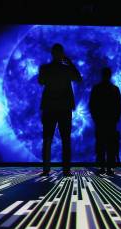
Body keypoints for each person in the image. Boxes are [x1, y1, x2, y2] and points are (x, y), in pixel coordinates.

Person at [38, 43, 82, 176]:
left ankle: (47, 169)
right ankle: (66, 169)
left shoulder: (45, 68)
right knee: (64, 139)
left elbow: (41, 81)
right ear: (62, 54)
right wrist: (70, 63)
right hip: (63, 107)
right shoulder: (66, 69)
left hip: (51, 107)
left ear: (52, 53)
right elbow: (78, 78)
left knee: (48, 138)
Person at [89, 67, 121, 176]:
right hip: (110, 121)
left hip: (101, 120)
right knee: (110, 144)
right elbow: (119, 106)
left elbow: (92, 105)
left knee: (101, 144)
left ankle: (103, 167)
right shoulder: (115, 89)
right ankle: (109, 168)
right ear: (109, 75)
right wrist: (116, 118)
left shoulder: (96, 88)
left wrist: (95, 118)